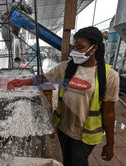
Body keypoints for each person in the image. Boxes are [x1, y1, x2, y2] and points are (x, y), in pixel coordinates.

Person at [8, 26, 119, 166]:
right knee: (67, 159)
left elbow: (109, 112)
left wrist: (110, 143)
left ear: (94, 47)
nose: (75, 51)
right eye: (75, 47)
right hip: (64, 128)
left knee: (78, 162)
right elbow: (44, 79)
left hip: (85, 134)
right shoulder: (66, 68)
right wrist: (23, 82)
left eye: (81, 47)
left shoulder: (109, 76)